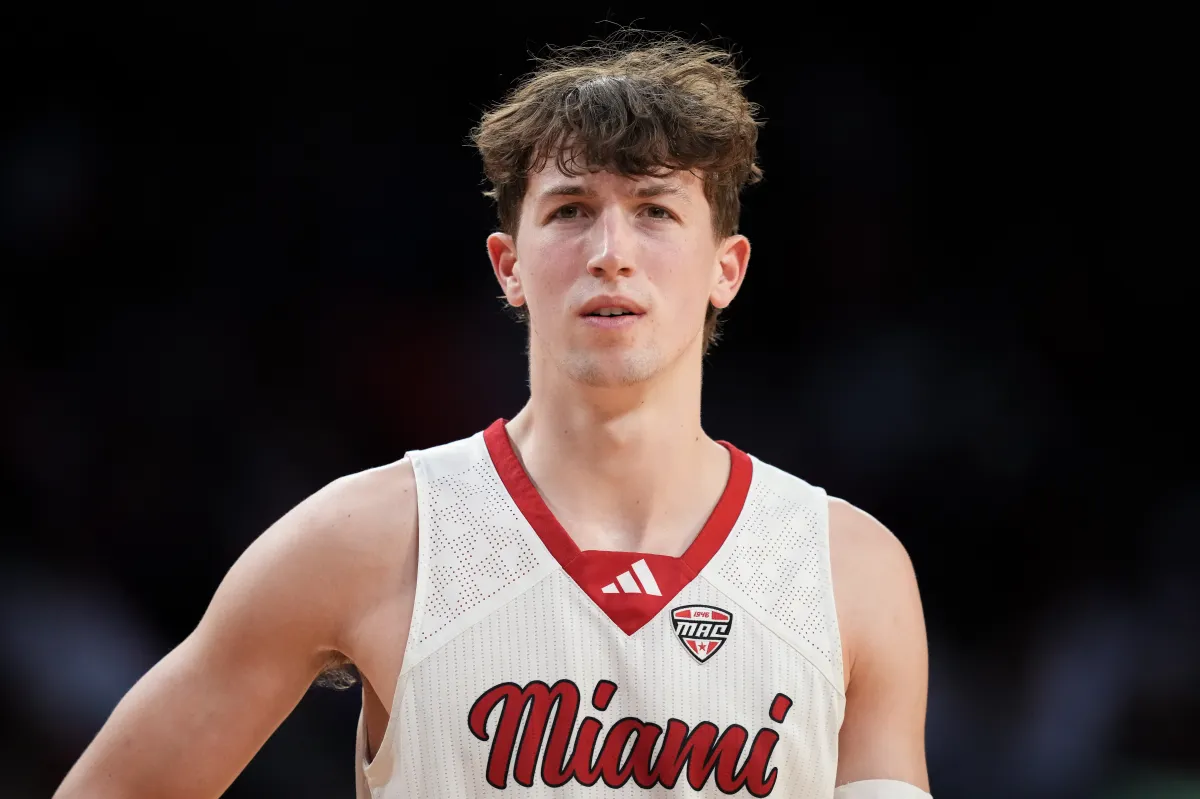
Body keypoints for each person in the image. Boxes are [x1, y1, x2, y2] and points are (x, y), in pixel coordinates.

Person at [53, 31, 931, 799]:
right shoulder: (366, 538)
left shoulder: (848, 569)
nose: (611, 252)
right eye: (572, 210)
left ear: (725, 268)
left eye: (655, 211)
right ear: (508, 265)